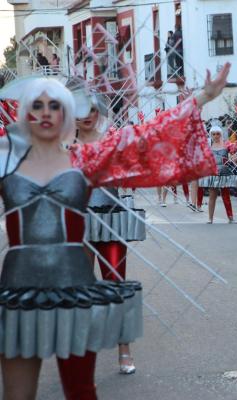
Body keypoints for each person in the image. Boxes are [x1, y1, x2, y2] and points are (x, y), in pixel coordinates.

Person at [0, 63, 229, 399]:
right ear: (24, 114)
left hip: (73, 289)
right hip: (18, 290)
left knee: (81, 391)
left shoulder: (86, 159)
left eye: (55, 106)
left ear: (67, 114)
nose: (46, 113)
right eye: (37, 105)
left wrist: (203, 96)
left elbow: (146, 135)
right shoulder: (6, 163)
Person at [74, 91, 145, 374]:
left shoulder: (112, 141)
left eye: (92, 109)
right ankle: (81, 354)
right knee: (80, 286)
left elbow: (130, 172)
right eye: (81, 110)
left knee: (115, 283)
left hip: (111, 220)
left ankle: (124, 349)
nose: (88, 115)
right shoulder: (62, 146)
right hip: (78, 222)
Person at [197, 125, 237, 223]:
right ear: (210, 135)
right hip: (212, 173)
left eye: (218, 133)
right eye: (213, 134)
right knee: (212, 196)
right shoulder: (207, 146)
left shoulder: (226, 144)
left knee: (226, 196)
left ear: (221, 134)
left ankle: (230, 218)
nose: (216, 136)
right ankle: (210, 218)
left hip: (224, 173)